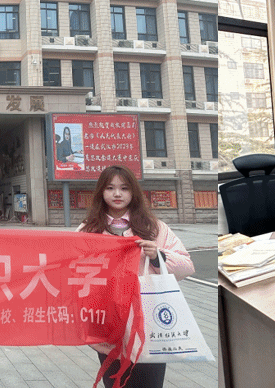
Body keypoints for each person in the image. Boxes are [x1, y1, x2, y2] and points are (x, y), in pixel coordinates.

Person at [76, 165, 193, 388]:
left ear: (133, 192)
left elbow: (186, 266)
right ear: (101, 192)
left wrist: (158, 256)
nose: (117, 194)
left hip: (150, 326)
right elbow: (74, 271)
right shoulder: (89, 229)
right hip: (109, 325)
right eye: (110, 188)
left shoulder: (153, 228)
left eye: (124, 188)